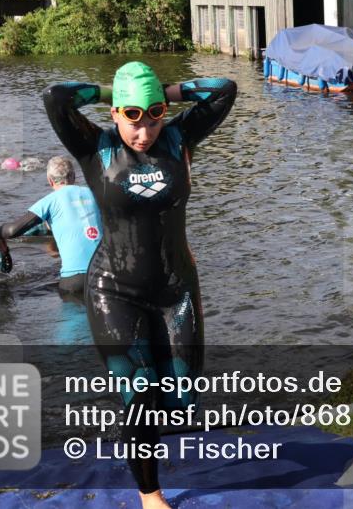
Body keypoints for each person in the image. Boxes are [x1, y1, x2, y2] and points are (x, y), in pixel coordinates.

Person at [43, 62, 236, 508]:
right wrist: (112, 91)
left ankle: (140, 435)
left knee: (184, 397)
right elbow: (56, 97)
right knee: (140, 394)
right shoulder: (95, 146)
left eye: (153, 115)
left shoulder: (179, 138)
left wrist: (164, 91)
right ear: (114, 113)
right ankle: (150, 494)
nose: (144, 131)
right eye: (131, 116)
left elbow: (224, 90)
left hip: (176, 290)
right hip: (115, 289)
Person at [0, 156, 102, 293]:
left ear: (50, 181)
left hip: (74, 279)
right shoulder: (95, 193)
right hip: (105, 273)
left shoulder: (49, 201)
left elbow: (12, 231)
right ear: (74, 176)